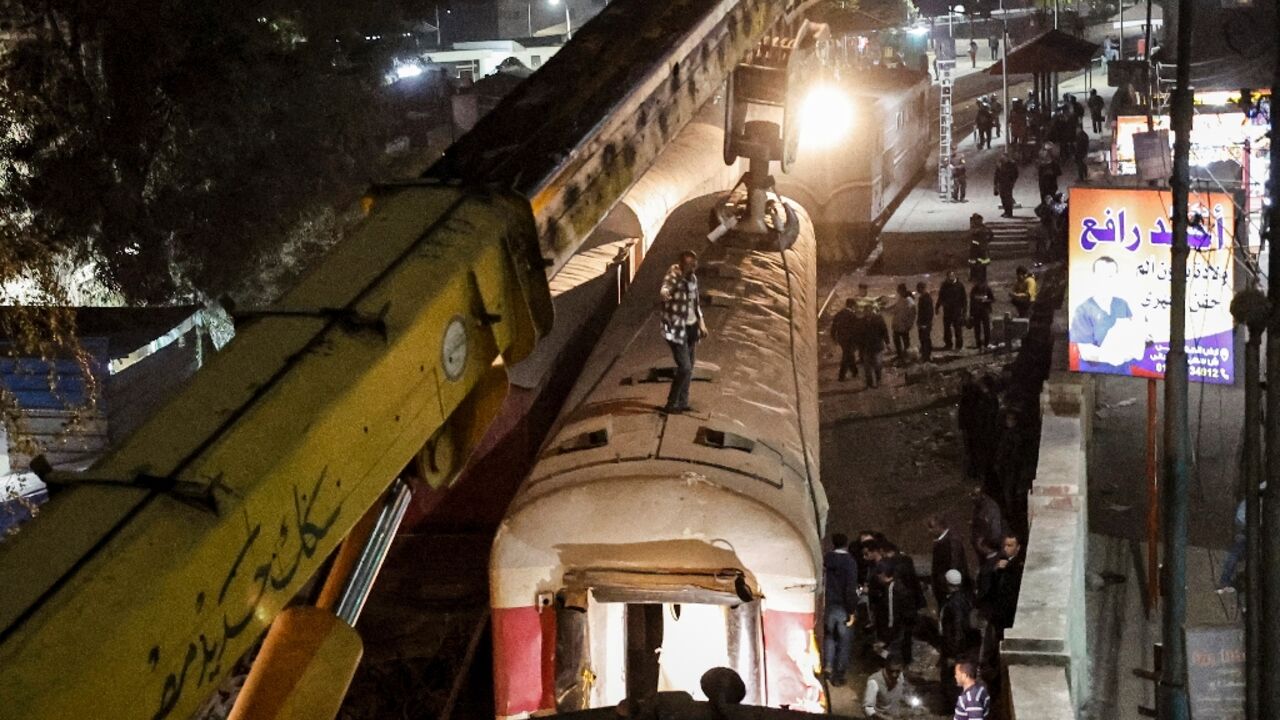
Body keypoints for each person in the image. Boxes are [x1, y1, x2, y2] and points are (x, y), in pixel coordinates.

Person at [1069, 256, 1143, 373]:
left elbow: (1133, 338)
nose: (1105, 281)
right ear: (1093, 277)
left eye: (1110, 276)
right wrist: (1112, 356)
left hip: (1124, 374)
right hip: (1095, 375)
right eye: (1101, 276)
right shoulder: (1083, 310)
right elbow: (1086, 353)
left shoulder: (1122, 304)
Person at [660, 250, 707, 414]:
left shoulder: (693, 278)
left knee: (690, 366)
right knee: (685, 367)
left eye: (694, 265)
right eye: (689, 265)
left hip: (691, 327)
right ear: (682, 264)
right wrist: (675, 285)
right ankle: (671, 403)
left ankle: (683, 401)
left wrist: (701, 323)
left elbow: (696, 303)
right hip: (676, 329)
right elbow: (664, 292)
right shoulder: (673, 276)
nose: (693, 268)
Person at [823, 533, 860, 685]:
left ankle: (828, 666)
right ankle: (838, 675)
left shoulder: (827, 559)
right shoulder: (850, 562)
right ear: (846, 543)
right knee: (844, 641)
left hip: (829, 605)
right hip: (843, 607)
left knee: (830, 637)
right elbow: (850, 588)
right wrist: (851, 611)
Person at [938, 570, 978, 706]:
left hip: (956, 648)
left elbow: (956, 629)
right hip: (966, 646)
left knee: (952, 678)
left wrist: (953, 653)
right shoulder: (967, 597)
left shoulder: (953, 603)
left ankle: (952, 705)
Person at [874, 561, 915, 664]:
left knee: (891, 660)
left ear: (883, 574)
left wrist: (885, 639)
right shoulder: (897, 585)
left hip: (894, 635)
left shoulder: (891, 590)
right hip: (899, 632)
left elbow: (892, 616)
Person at [928, 516, 971, 609]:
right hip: (945, 587)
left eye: (931, 527)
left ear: (939, 526)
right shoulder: (945, 541)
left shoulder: (951, 542)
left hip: (948, 589)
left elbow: (953, 564)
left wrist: (948, 585)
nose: (929, 531)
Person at [992, 533, 1026, 632]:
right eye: (1005, 545)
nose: (1006, 549)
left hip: (1009, 610)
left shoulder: (1017, 566)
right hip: (1001, 610)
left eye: (1010, 546)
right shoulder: (1002, 561)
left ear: (1018, 547)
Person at [855, 302, 890, 388]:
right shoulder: (861, 322)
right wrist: (859, 346)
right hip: (866, 347)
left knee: (877, 365)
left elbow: (884, 331)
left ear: (872, 311)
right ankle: (869, 383)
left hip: (877, 346)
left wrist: (887, 342)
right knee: (867, 367)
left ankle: (878, 380)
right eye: (866, 312)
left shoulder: (878, 319)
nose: (867, 313)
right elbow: (859, 335)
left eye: (869, 311)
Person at [969, 485, 1006, 560]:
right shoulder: (977, 506)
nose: (972, 498)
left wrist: (983, 541)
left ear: (982, 495)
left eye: (975, 496)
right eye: (971, 495)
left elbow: (995, 532)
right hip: (980, 544)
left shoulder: (991, 508)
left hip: (990, 546)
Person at [831, 298, 859, 382]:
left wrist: (834, 337)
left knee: (849, 355)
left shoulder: (839, 314)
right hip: (850, 339)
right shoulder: (852, 315)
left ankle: (855, 372)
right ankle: (841, 376)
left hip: (841, 339)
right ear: (852, 306)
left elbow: (833, 327)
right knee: (846, 356)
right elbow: (856, 329)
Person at [939, 271, 967, 350]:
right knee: (947, 329)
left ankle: (959, 345)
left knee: (957, 328)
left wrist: (964, 311)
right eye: (949, 276)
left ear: (954, 276)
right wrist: (938, 306)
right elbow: (941, 296)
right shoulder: (944, 285)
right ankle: (948, 344)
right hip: (947, 311)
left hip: (957, 311)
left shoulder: (959, 285)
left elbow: (964, 299)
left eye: (952, 276)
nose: (950, 278)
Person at [891, 283, 916, 360]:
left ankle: (906, 356)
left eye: (899, 290)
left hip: (904, 325)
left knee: (905, 342)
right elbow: (896, 308)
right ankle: (900, 355)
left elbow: (913, 313)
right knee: (897, 341)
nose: (898, 292)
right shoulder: (901, 298)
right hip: (898, 324)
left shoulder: (909, 300)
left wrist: (909, 324)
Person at [969, 279, 995, 349]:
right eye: (978, 282)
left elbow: (993, 299)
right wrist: (971, 313)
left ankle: (987, 343)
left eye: (981, 282)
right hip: (976, 311)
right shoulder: (974, 289)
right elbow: (971, 301)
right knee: (977, 328)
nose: (979, 284)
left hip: (985, 311)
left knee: (987, 328)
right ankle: (978, 344)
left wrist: (986, 300)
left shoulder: (987, 289)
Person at [967, 214, 991, 282]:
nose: (980, 221)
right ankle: (973, 276)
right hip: (974, 249)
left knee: (983, 264)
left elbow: (991, 234)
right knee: (973, 264)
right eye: (978, 220)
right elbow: (971, 235)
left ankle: (983, 277)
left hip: (982, 249)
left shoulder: (984, 227)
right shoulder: (974, 228)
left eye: (980, 220)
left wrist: (987, 241)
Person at [993, 153, 1019, 218]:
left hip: (1008, 183)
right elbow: (996, 174)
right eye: (1002, 157)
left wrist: (1012, 181)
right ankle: (1006, 211)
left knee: (1008, 197)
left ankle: (1009, 212)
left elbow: (1016, 174)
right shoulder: (999, 164)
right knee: (1003, 197)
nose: (1003, 158)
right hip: (1001, 183)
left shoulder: (1012, 164)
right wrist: (995, 184)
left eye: (1004, 157)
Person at [916, 281, 935, 363]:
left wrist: (926, 324)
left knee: (925, 339)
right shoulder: (923, 297)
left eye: (918, 288)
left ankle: (927, 356)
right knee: (923, 339)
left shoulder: (926, 298)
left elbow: (929, 312)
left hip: (925, 323)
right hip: (922, 323)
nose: (917, 290)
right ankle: (925, 355)